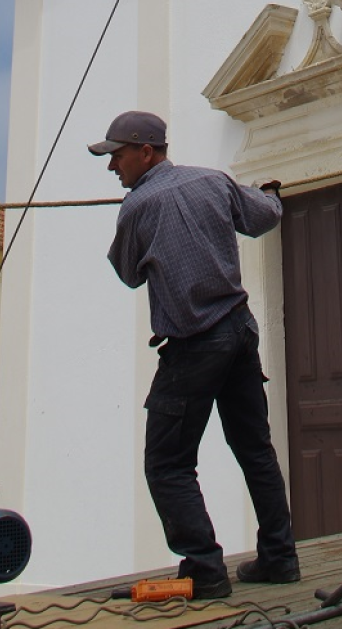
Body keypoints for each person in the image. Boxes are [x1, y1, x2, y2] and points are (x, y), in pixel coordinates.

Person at [89, 110, 301, 599]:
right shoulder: (214, 180)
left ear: (146, 152)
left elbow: (128, 273)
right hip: (238, 334)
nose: (111, 167)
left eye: (116, 156)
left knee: (167, 463)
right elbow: (266, 217)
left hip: (192, 346)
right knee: (255, 450)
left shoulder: (137, 206)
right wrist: (269, 194)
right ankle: (280, 558)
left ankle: (204, 570)